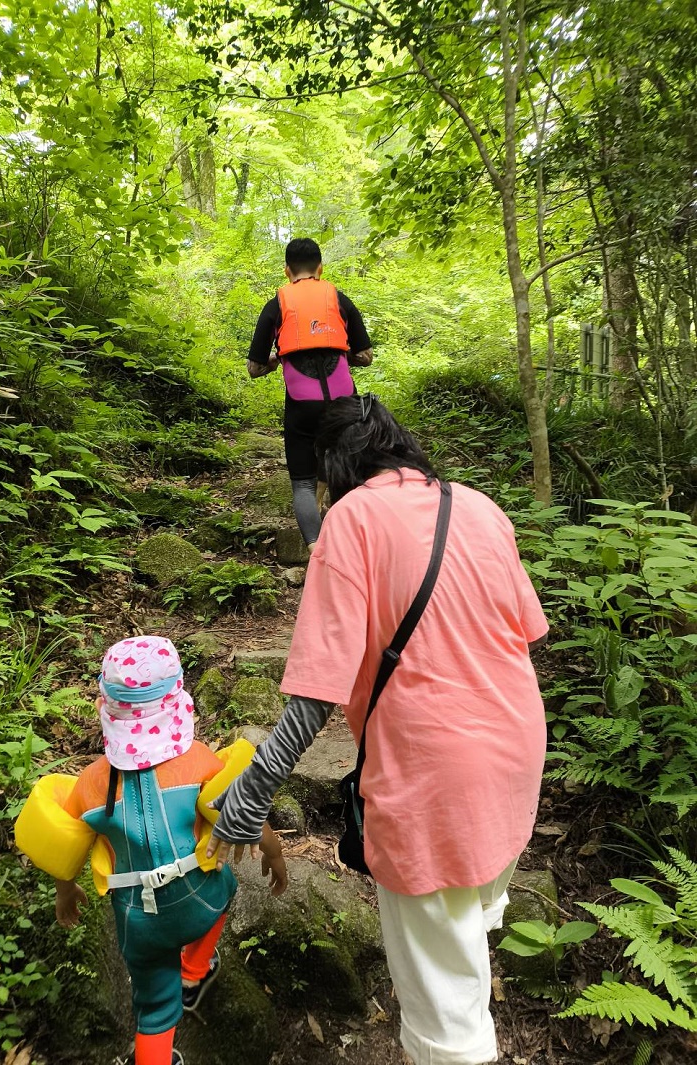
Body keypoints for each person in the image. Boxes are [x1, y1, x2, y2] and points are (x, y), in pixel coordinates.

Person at [205, 396, 549, 1065]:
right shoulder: (478, 506)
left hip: (434, 781)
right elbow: (526, 634)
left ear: (335, 465)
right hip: (517, 753)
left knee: (448, 1021)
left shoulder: (350, 520)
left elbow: (314, 699)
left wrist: (248, 797)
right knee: (464, 928)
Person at [15, 634, 287, 1065]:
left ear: (106, 709)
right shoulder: (199, 761)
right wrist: (273, 853)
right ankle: (194, 975)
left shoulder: (88, 785)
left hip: (137, 920)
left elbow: (62, 846)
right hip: (200, 895)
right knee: (227, 891)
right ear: (177, 702)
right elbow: (242, 812)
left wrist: (64, 891)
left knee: (155, 1011)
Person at [246, 237, 373, 551]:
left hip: (302, 407)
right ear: (320, 268)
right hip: (345, 404)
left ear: (287, 271)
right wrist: (345, 355)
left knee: (303, 485)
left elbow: (254, 368)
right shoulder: (339, 299)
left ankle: (318, 553)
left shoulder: (276, 304)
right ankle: (356, 549)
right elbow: (366, 356)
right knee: (350, 478)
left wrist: (278, 360)